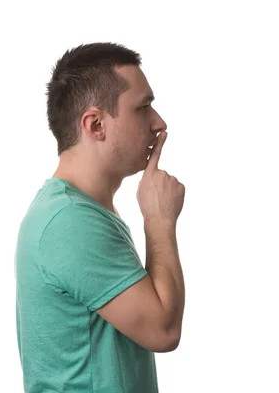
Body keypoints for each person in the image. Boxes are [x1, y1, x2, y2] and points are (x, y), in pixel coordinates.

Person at [15, 42, 185, 392]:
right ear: (95, 125)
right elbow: (163, 330)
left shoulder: (78, 211)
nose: (159, 123)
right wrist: (159, 220)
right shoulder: (71, 222)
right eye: (143, 108)